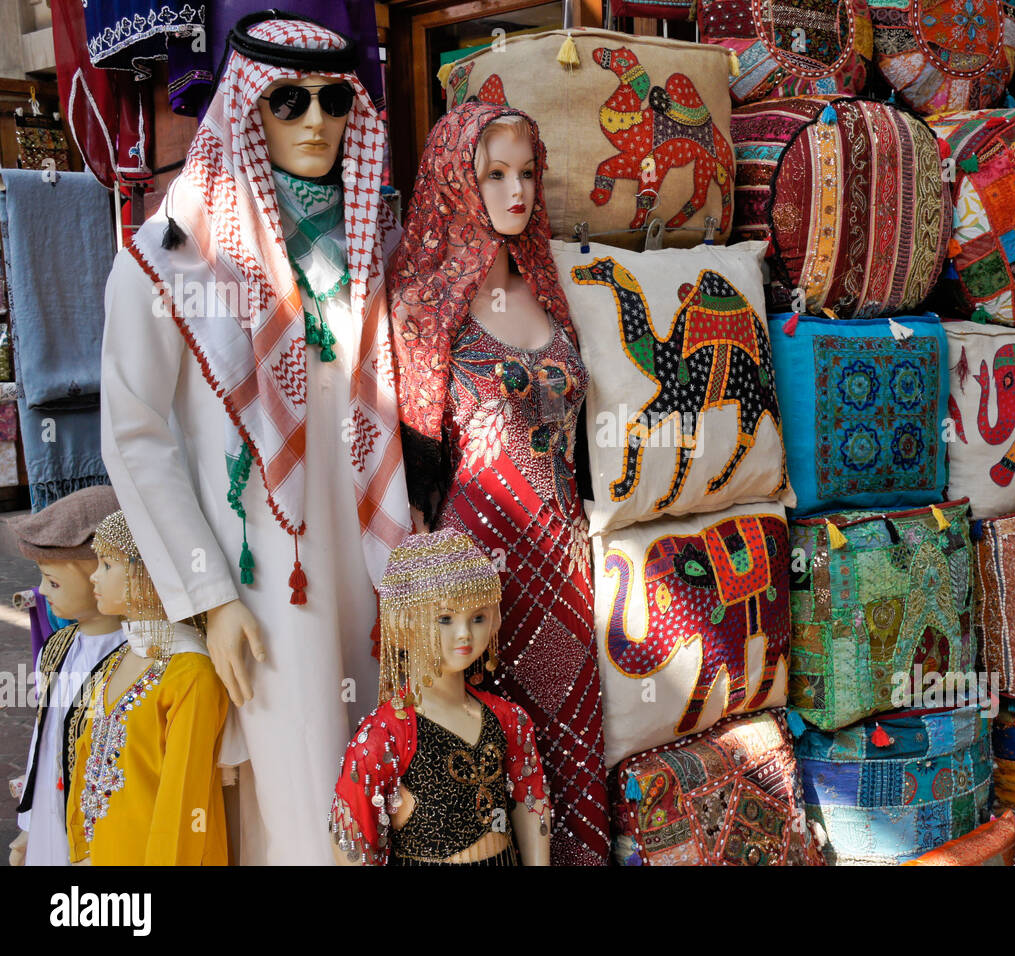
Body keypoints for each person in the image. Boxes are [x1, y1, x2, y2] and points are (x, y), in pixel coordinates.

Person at [97, 13, 409, 864]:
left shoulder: (372, 245)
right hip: (265, 589)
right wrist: (212, 597)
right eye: (287, 100)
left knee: (379, 788)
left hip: (369, 580)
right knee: (297, 801)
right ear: (244, 107)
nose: (316, 121)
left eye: (335, 99)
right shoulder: (170, 254)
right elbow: (133, 432)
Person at [389, 101, 610, 865]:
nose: (515, 191)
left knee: (571, 754)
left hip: (568, 568)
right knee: (481, 765)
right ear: (457, 181)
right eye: (494, 174)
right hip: (479, 583)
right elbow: (419, 470)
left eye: (526, 173)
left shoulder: (554, 292)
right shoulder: (425, 307)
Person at [330, 530, 550, 865]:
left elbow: (530, 800)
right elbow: (352, 841)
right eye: (445, 619)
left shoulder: (509, 720)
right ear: (403, 624)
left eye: (477, 617)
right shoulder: (382, 739)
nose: (464, 633)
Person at [66, 510, 228, 865]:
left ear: (152, 572)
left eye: (107, 564)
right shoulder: (120, 658)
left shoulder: (191, 674)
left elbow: (184, 801)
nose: (94, 576)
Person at [5, 486, 124, 866]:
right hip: (51, 817)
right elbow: (45, 738)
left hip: (108, 829)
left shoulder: (138, 658)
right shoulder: (58, 648)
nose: (42, 591)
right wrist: (30, 823)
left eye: (53, 582)